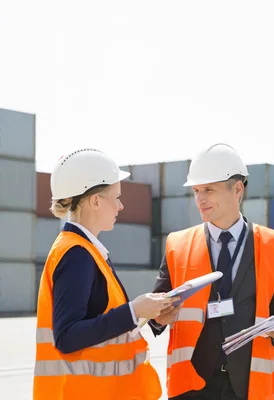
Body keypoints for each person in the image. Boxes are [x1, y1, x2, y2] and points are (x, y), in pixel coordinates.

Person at [149, 143, 274, 400]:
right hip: (192, 385)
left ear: (238, 188)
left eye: (209, 189)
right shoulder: (178, 244)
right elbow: (155, 312)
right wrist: (158, 317)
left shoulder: (272, 244)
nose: (200, 199)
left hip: (246, 386)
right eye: (196, 190)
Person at [33, 148, 180, 400]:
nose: (121, 206)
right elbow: (67, 336)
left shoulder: (86, 251)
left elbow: (102, 327)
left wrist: (148, 315)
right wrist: (134, 311)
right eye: (117, 197)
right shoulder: (76, 254)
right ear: (95, 201)